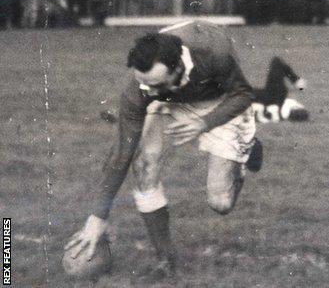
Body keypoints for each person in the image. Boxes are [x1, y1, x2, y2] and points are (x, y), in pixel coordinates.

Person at [64, 20, 262, 282]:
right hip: (170, 98)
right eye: (143, 83)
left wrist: (204, 123)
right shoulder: (143, 90)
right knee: (144, 165)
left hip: (219, 98)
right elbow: (121, 154)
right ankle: (166, 260)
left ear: (178, 67)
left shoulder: (214, 52)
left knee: (220, 203)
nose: (147, 90)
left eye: (154, 84)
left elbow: (243, 94)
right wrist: (97, 216)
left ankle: (247, 152)